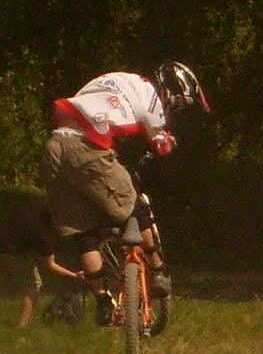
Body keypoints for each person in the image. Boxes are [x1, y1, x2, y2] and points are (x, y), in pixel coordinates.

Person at [40, 60, 210, 325]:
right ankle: (159, 270)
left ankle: (104, 303)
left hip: (54, 148)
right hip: (86, 150)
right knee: (134, 205)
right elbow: (160, 144)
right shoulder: (152, 99)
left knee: (84, 234)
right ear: (172, 92)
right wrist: (169, 142)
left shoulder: (116, 80)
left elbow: (98, 116)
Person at [0, 200, 83, 328]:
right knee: (32, 286)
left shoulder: (38, 207)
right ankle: (21, 326)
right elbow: (50, 265)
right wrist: (74, 275)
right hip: (14, 252)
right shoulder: (44, 236)